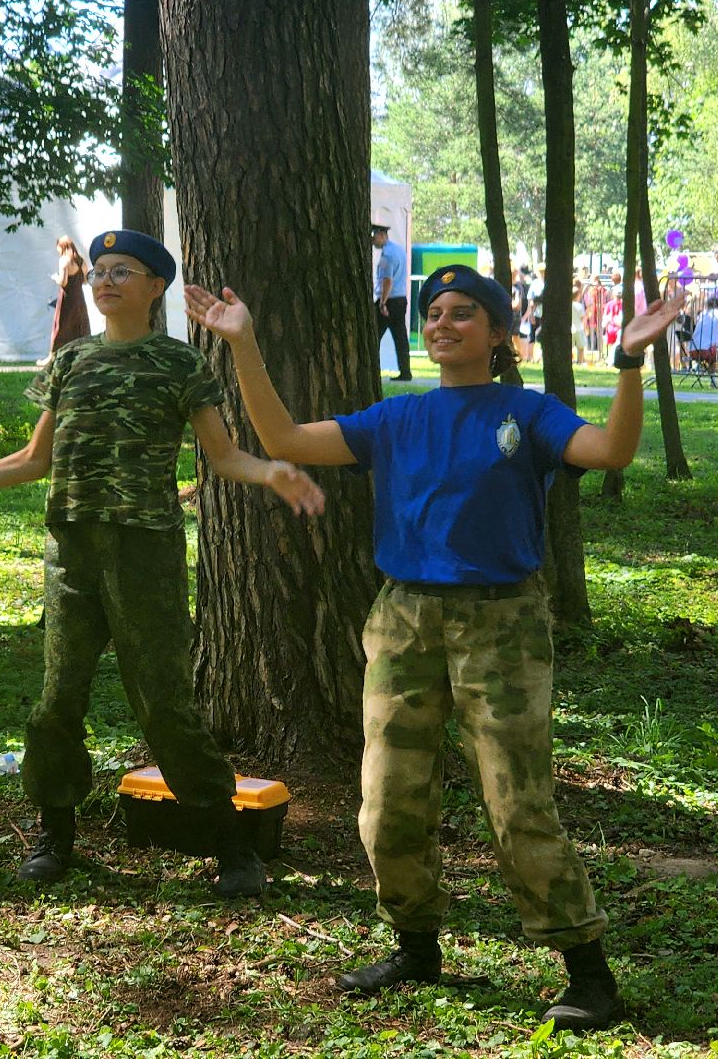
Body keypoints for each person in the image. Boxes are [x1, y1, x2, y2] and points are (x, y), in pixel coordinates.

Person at [182, 265, 684, 1033]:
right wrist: (242, 343)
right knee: (387, 803)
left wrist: (629, 360)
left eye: (462, 313)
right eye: (434, 314)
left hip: (502, 625)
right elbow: (282, 439)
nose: (443, 324)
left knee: (517, 804)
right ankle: (416, 946)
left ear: (496, 332)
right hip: (404, 620)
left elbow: (612, 450)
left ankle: (589, 974)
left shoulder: (528, 413)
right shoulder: (396, 420)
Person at [0, 229, 325, 897]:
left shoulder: (180, 365)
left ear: (156, 289)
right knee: (57, 698)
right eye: (98, 271)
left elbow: (222, 455)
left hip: (144, 550)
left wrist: (272, 473)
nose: (105, 281)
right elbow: (35, 460)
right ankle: (55, 836)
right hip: (71, 550)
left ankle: (232, 844)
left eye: (123, 271)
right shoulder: (70, 362)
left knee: (164, 705)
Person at [37, 236, 91, 368]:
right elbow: (85, 280)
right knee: (80, 326)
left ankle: (52, 357)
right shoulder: (80, 261)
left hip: (67, 298)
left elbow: (63, 281)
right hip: (79, 297)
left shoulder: (64, 260)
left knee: (60, 327)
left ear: (62, 247)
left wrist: (56, 278)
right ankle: (84, 356)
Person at [373, 222, 411, 381]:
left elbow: (387, 280)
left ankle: (371, 371)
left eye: (374, 237)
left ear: (382, 235)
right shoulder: (399, 250)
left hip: (389, 301)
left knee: (373, 336)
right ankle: (405, 371)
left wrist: (382, 302)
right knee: (401, 338)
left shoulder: (387, 255)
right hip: (400, 299)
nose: (373, 241)